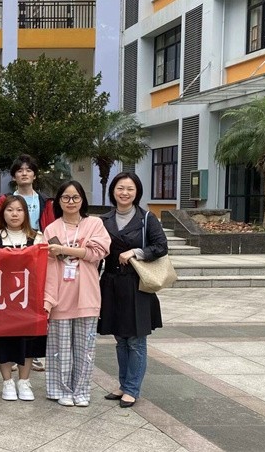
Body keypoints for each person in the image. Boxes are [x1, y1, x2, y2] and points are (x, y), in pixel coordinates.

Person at [98, 172, 166, 408]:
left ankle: (132, 389)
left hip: (137, 285)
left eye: (130, 189)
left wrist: (136, 252)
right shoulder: (104, 220)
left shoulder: (147, 218)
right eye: (120, 188)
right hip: (111, 283)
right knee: (120, 338)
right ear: (113, 191)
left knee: (136, 340)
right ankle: (123, 384)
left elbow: (161, 246)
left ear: (137, 192)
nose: (124, 193)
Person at [43, 180, 110, 407]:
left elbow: (98, 252)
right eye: (65, 197)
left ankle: (81, 391)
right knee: (59, 348)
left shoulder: (95, 224)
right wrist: (48, 299)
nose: (70, 202)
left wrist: (64, 249)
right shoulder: (51, 229)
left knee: (85, 349)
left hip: (87, 294)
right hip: (60, 295)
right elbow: (47, 264)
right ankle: (61, 389)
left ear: (83, 200)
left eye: (75, 197)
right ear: (58, 201)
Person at [0, 154, 55, 371]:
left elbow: (49, 227)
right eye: (20, 170)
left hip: (35, 254)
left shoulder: (44, 201)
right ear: (14, 176)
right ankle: (12, 355)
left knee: (32, 304)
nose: (24, 173)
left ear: (34, 175)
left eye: (28, 170)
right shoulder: (4, 200)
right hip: (10, 255)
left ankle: (32, 355)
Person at [0, 195, 46, 402]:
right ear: (2, 213)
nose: (14, 214)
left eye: (19, 210)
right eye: (10, 210)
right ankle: (7, 382)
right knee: (3, 340)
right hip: (2, 298)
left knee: (28, 340)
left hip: (29, 298)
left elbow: (44, 266)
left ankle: (24, 380)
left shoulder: (37, 237)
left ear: (26, 213)